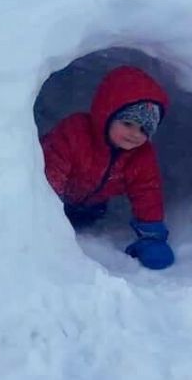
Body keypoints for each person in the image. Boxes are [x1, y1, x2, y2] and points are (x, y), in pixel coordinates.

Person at [39, 65, 175, 270]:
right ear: (107, 115)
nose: (135, 134)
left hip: (91, 208)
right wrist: (46, 215)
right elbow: (51, 171)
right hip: (55, 201)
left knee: (86, 219)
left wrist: (152, 236)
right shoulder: (75, 133)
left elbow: (147, 191)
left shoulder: (141, 155)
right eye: (128, 123)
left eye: (144, 129)